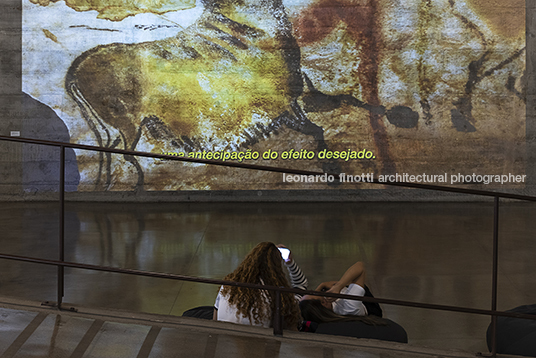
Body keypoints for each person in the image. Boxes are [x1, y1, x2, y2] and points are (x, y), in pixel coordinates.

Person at [213, 242, 308, 329]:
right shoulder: (278, 296)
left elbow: (215, 320)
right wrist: (290, 263)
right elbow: (301, 286)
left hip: (224, 342)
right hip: (257, 345)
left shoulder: (227, 287)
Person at [301, 261, 378, 317]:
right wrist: (338, 286)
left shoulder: (325, 307)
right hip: (367, 304)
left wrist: (322, 285)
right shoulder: (349, 307)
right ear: (324, 302)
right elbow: (360, 266)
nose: (316, 291)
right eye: (315, 293)